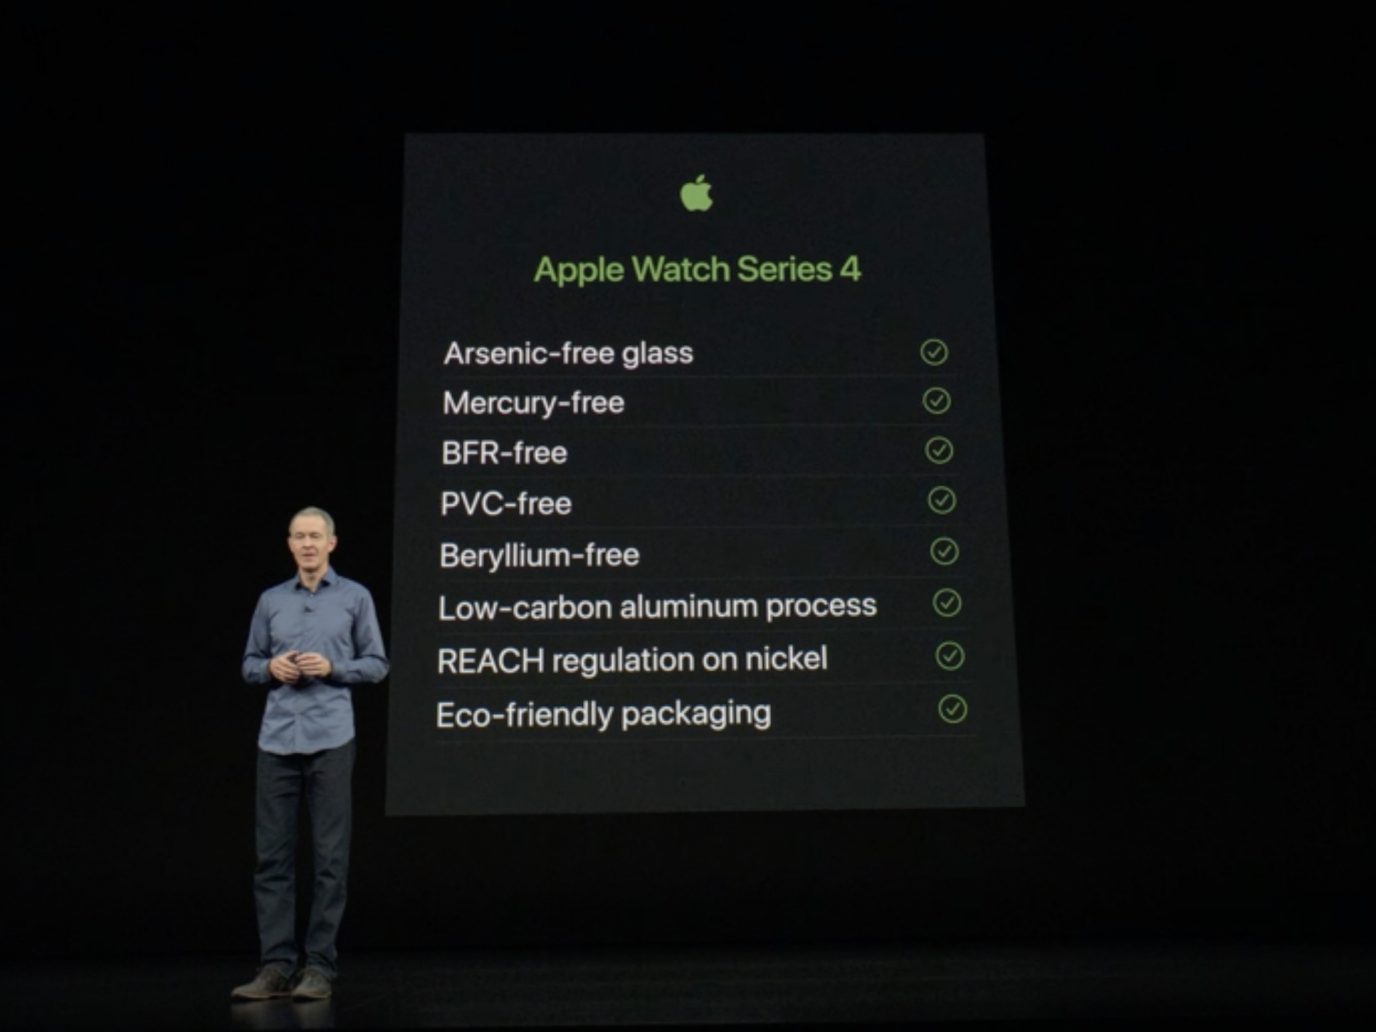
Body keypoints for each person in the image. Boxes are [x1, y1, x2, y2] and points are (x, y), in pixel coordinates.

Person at [231, 507, 388, 1001]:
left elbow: (377, 663)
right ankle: (276, 966)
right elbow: (249, 664)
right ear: (290, 544)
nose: (307, 544)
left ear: (331, 543)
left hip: (331, 738)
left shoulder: (355, 597)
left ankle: (319, 966)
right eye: (299, 536)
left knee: (329, 859)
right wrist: (269, 668)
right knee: (272, 860)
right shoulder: (271, 600)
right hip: (276, 739)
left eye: (315, 536)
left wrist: (333, 667)